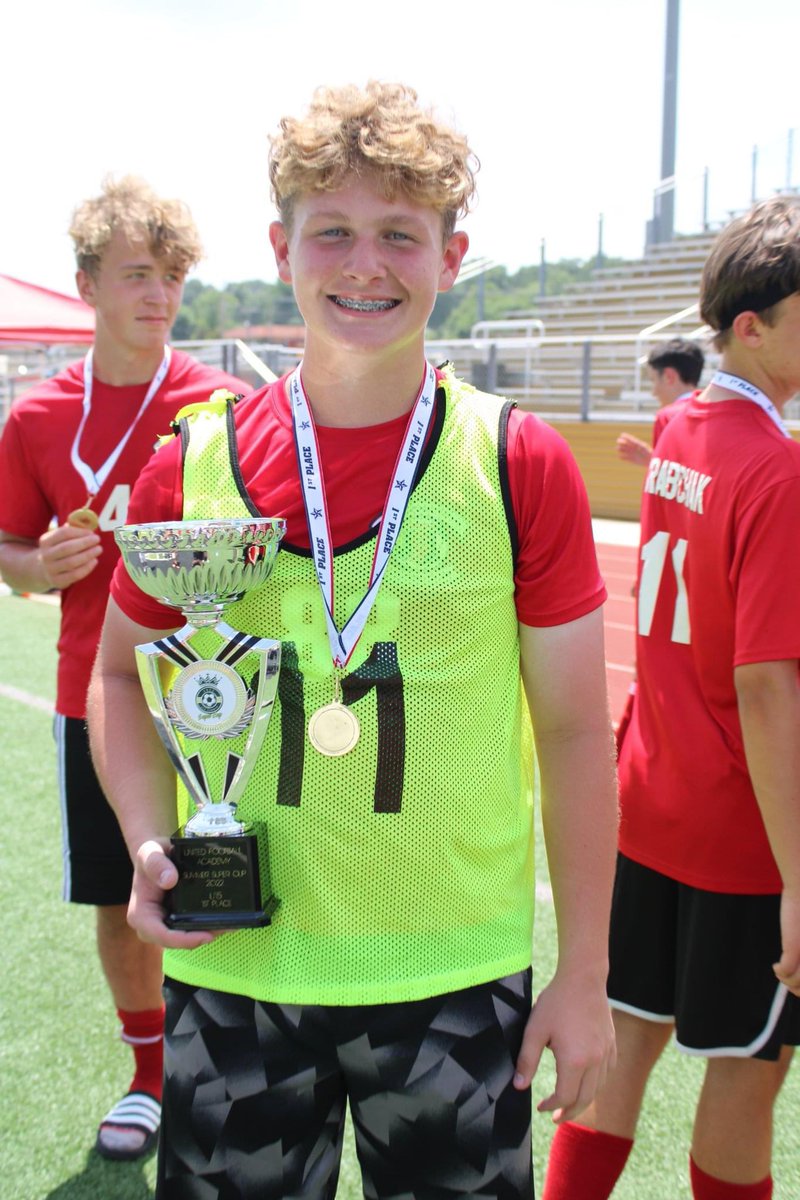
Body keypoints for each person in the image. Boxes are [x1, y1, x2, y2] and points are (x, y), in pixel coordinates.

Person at [87, 82, 618, 1198]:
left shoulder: (517, 463)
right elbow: (120, 682)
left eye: (397, 235)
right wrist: (146, 835)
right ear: (281, 249)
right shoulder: (194, 461)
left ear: (451, 253)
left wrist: (583, 971)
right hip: (237, 962)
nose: (362, 264)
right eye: (331, 231)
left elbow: (574, 729)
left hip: (454, 977)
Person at [543, 195, 800, 1200]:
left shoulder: (677, 427)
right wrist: (798, 881)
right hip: (740, 833)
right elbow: (765, 686)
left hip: (645, 805)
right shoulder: (774, 467)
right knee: (745, 1080)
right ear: (751, 324)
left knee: (625, 1047)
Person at [0, 176, 250, 1161]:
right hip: (92, 697)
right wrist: (33, 565)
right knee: (120, 897)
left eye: (174, 276)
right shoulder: (36, 419)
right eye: (138, 275)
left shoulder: (227, 406)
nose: (160, 295)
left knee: (226, 884)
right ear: (88, 285)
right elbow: (7, 544)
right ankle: (148, 1078)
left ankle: (228, 1065)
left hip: (221, 698)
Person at [616, 337, 705, 467]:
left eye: (653, 381)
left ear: (669, 376)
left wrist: (655, 466)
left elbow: (665, 483)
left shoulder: (668, 417)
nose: (654, 392)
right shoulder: (717, 410)